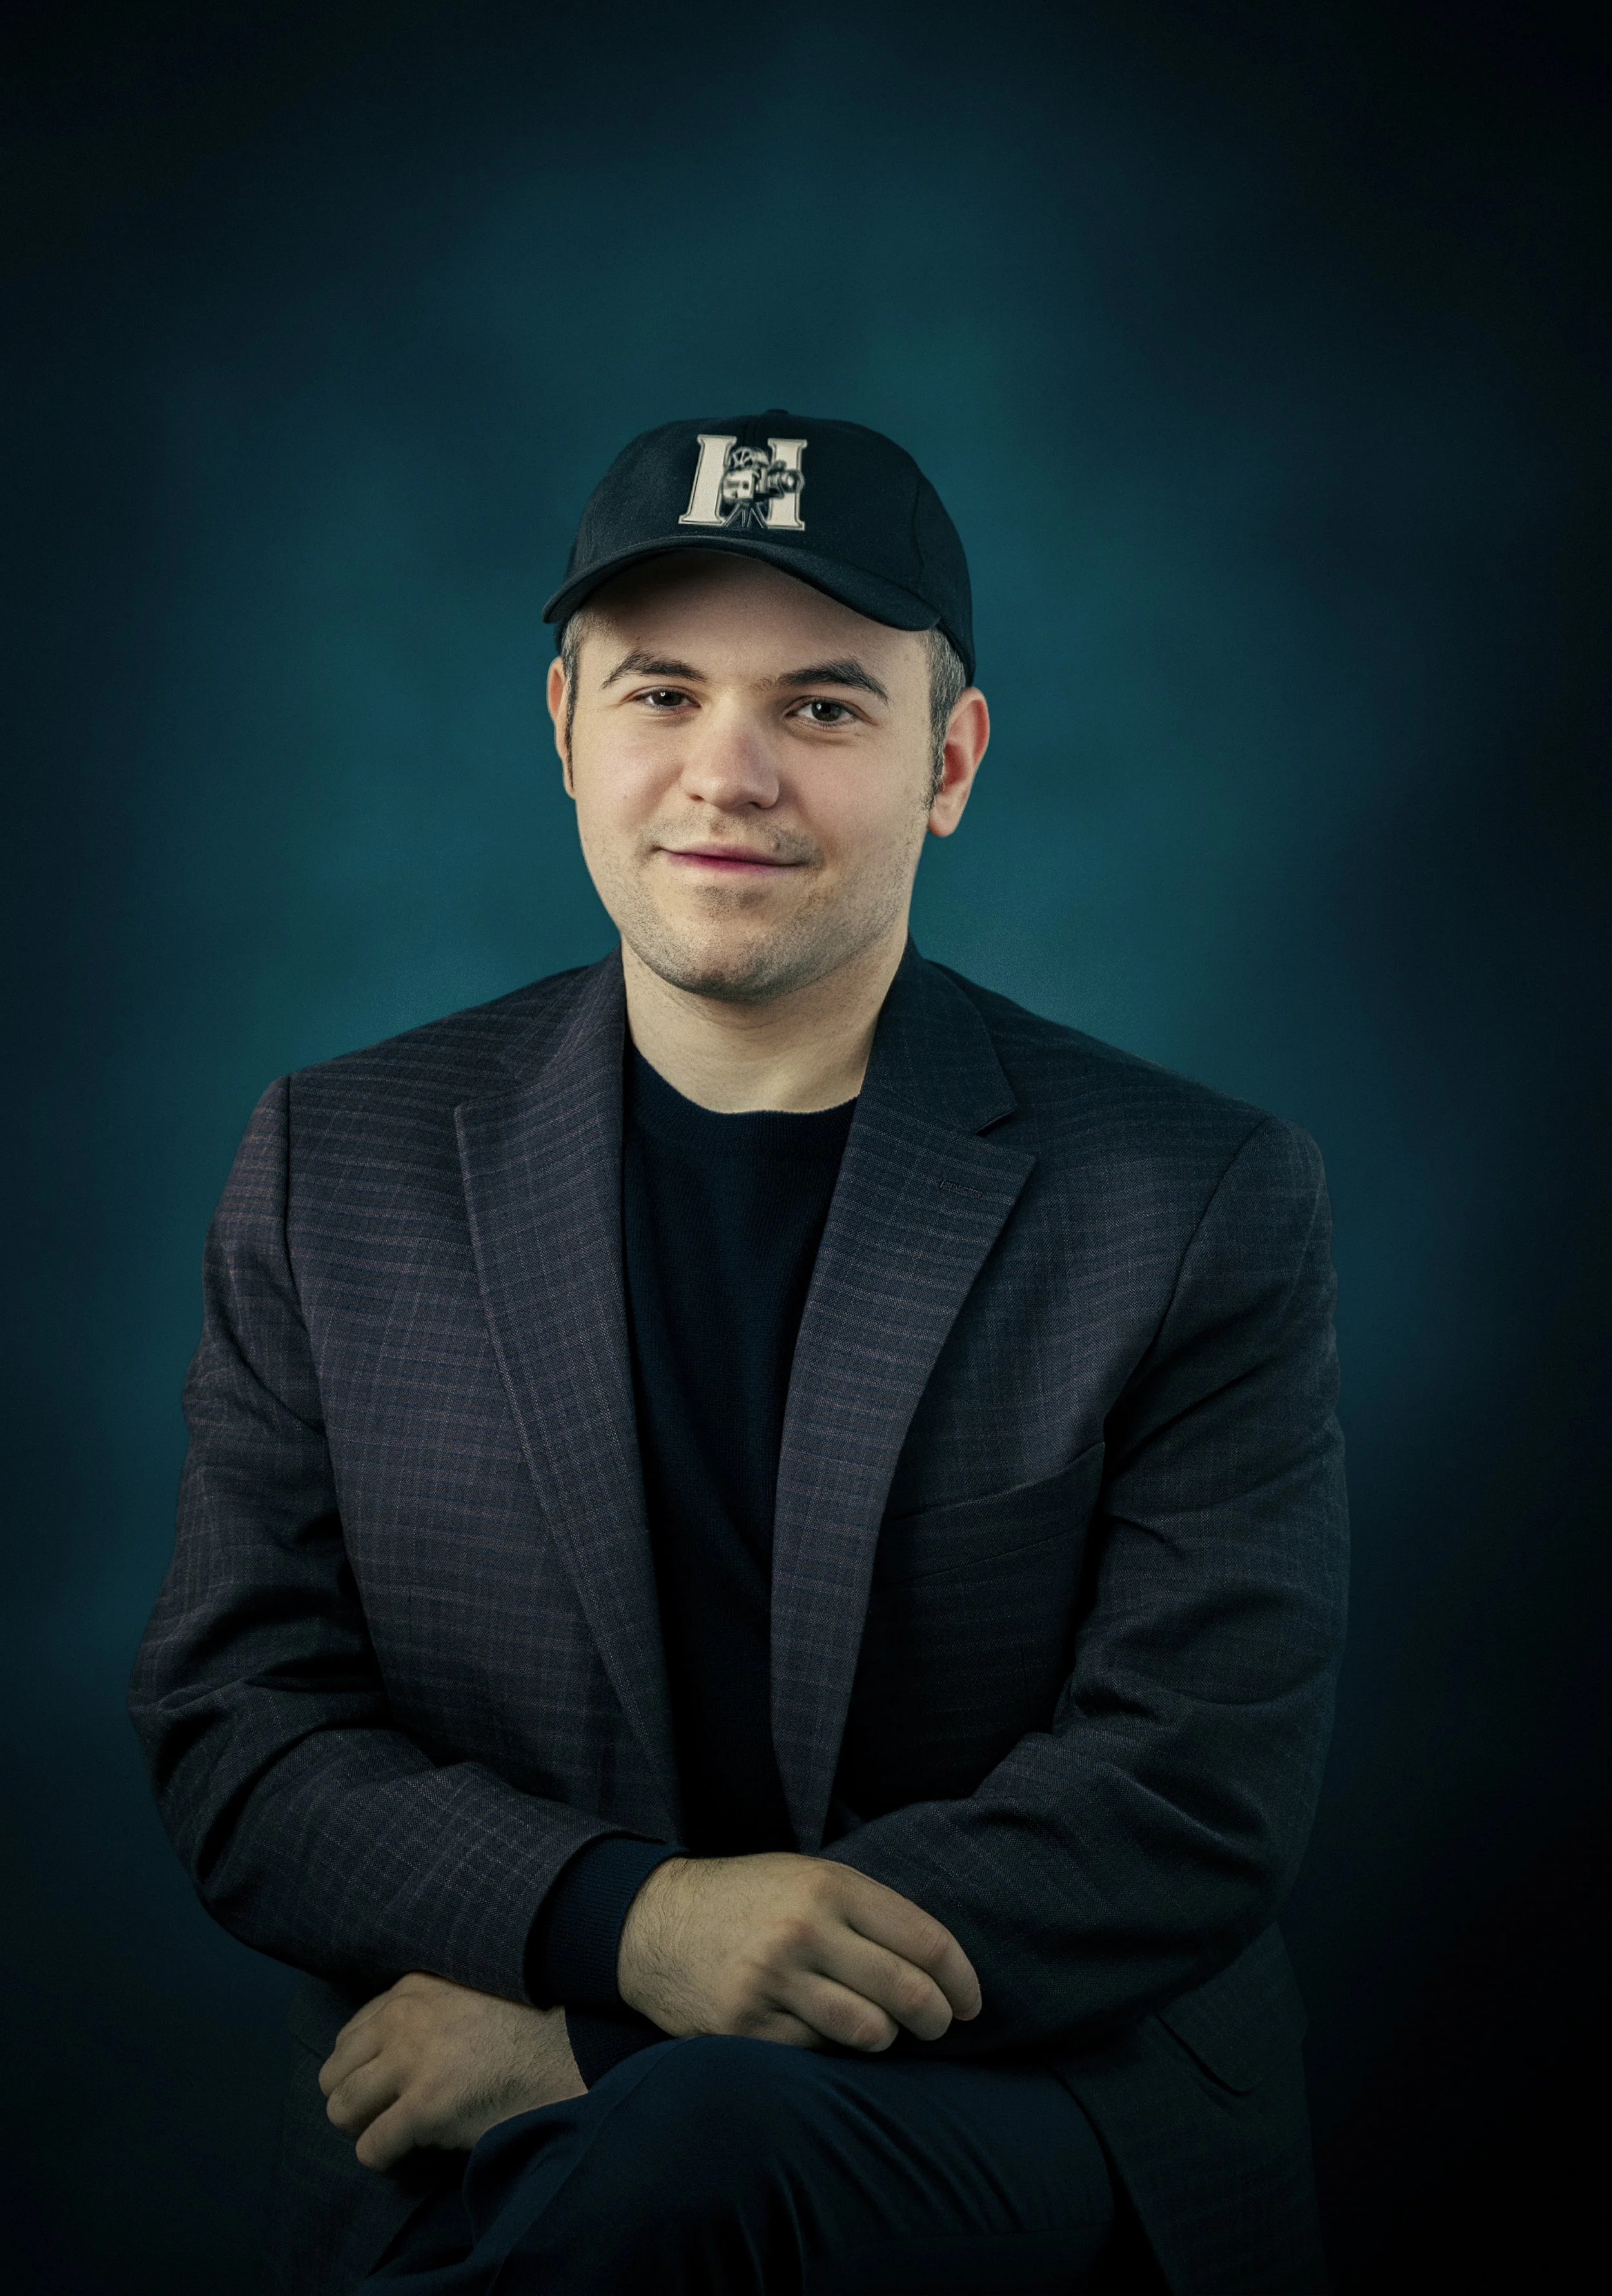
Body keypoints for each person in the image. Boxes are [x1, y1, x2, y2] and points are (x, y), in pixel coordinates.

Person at [130, 411, 1347, 2294]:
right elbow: (243, 1734)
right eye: (662, 692)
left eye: (824, 707)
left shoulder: (1186, 1197)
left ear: (948, 761)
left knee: (696, 2147)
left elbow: (1181, 1798)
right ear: (562, 730)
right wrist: (626, 1926)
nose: (727, 771)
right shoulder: (334, 1160)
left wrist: (615, 2041)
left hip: (1024, 2090)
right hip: (464, 2108)